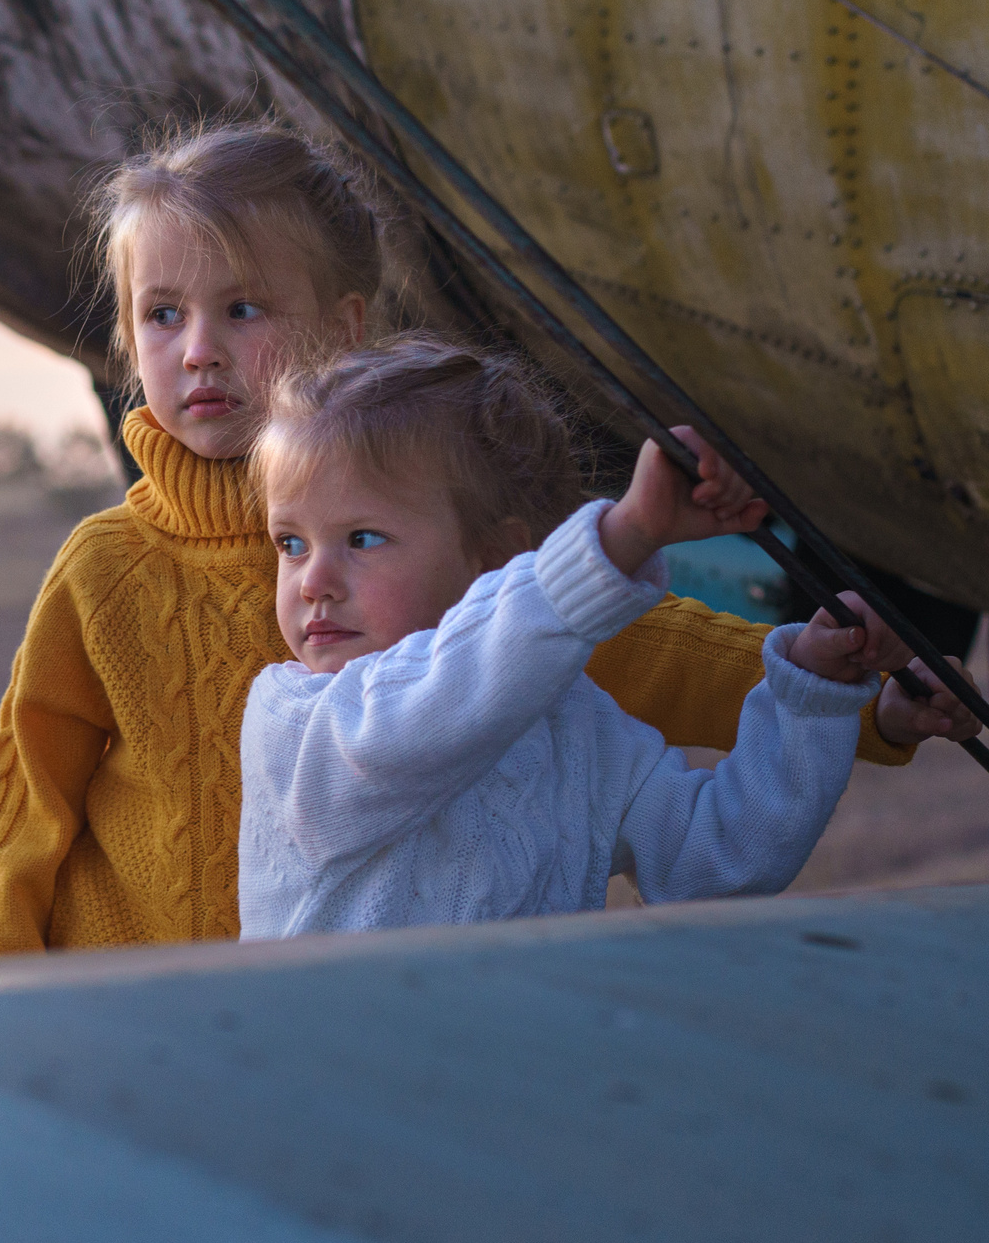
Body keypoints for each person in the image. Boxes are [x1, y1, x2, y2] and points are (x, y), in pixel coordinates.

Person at [0, 119, 976, 959]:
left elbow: (622, 647)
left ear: (343, 327)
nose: (200, 350)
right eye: (161, 315)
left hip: (357, 1046)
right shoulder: (105, 569)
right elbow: (21, 806)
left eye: (243, 306)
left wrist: (850, 697)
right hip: (144, 1018)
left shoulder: (418, 534)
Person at [238, 334, 943, 939]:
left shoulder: (576, 731)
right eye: (291, 543)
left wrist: (813, 694)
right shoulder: (298, 727)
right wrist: (625, 535)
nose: (313, 580)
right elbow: (426, 711)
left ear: (495, 561)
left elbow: (716, 862)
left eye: (361, 539)